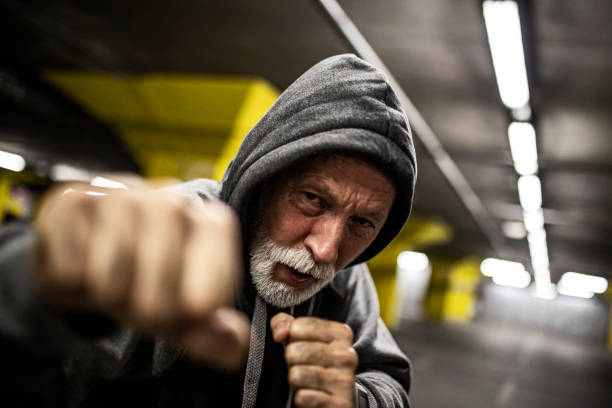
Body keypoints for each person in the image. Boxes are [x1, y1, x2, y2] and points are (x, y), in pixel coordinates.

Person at [0, 54, 417, 407]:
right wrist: (35, 290)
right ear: (264, 179)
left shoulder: (344, 276)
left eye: (362, 223)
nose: (326, 249)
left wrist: (356, 397)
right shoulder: (182, 233)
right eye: (311, 198)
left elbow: (388, 378)